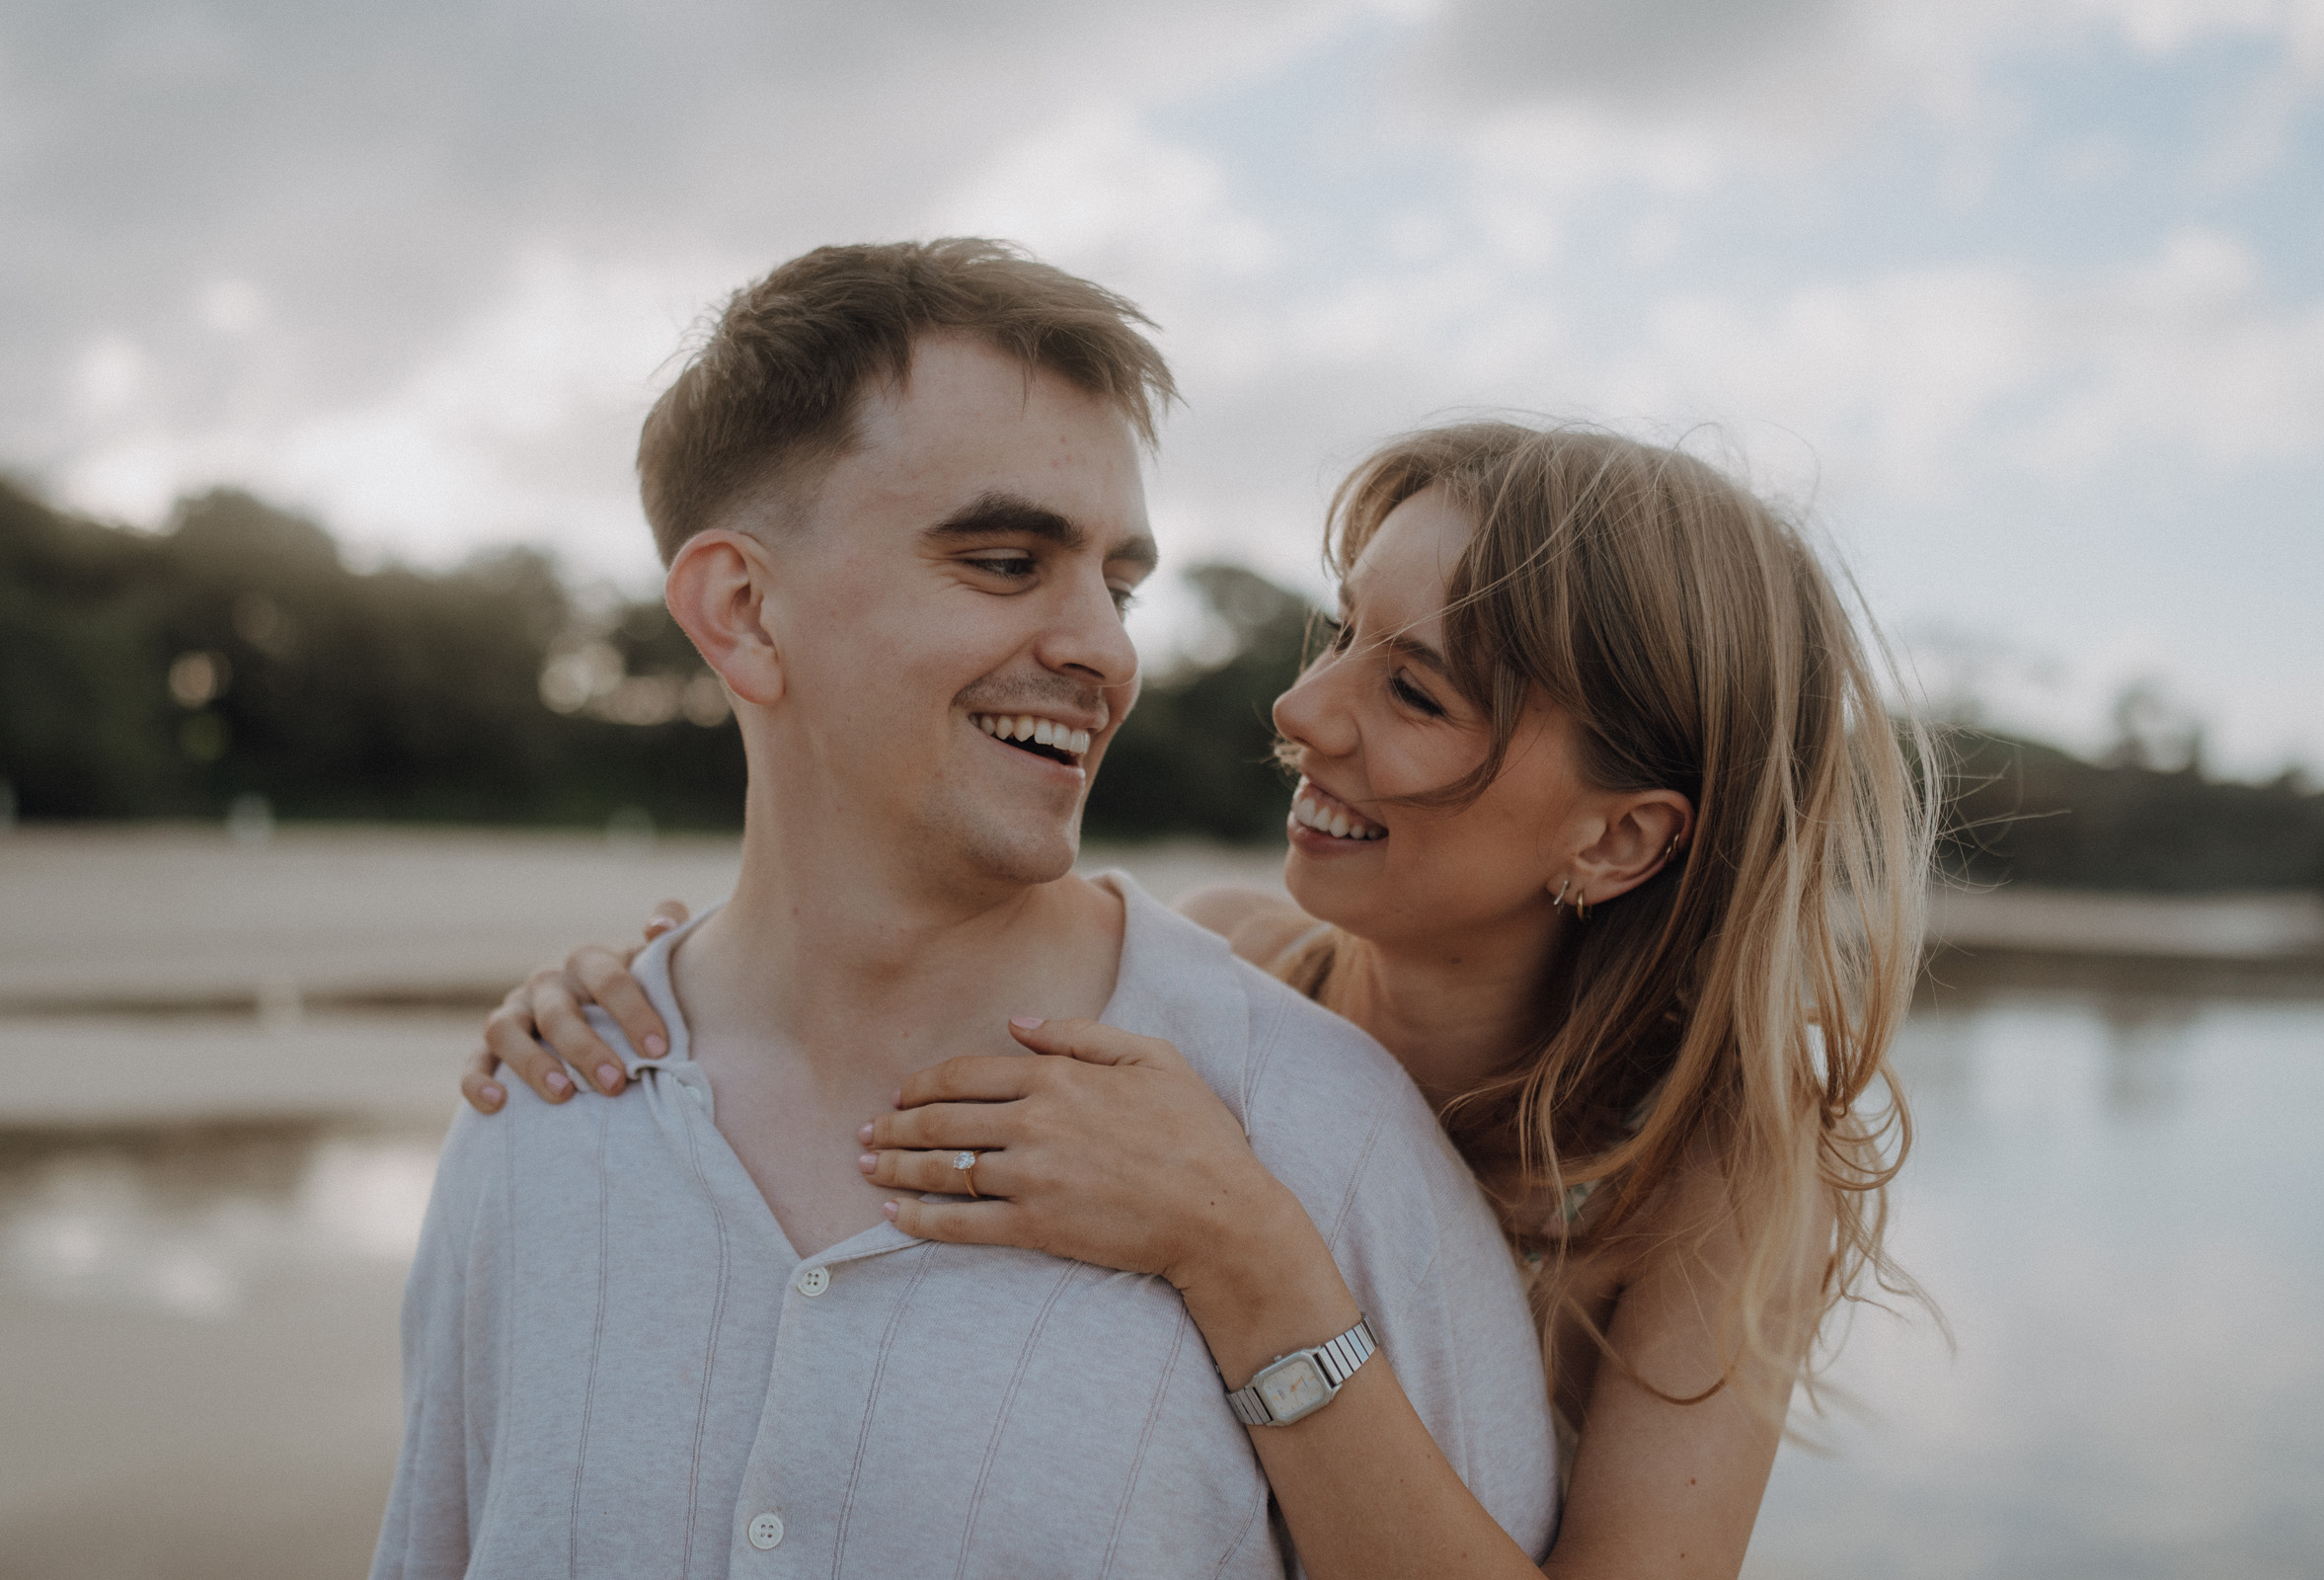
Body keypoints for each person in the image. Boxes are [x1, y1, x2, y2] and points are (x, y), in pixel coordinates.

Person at [469, 418, 1937, 1576]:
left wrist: (1246, 1250)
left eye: (1415, 695)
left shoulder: (1720, 1176)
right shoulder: (1226, 963)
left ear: (1616, 837)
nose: (1301, 714)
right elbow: (869, 937)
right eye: (1338, 635)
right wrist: (664, 994)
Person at [372, 239, 1562, 1580]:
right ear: (743, 609)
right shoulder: (540, 1113)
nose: (1105, 650)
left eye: (1118, 588)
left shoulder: (1315, 1143)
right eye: (1005, 562)